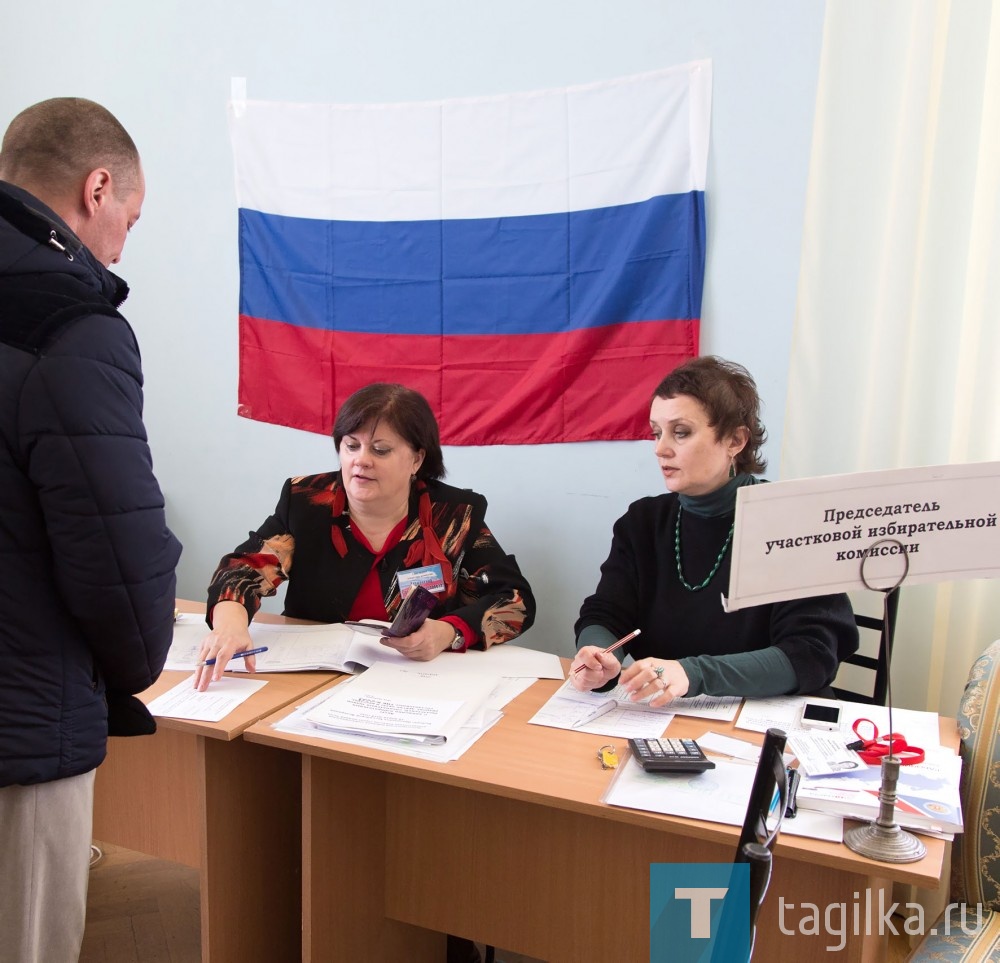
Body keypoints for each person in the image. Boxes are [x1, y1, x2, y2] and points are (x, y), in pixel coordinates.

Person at [0, 98, 181, 963]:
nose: (120, 247)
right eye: (128, 220)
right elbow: (117, 555)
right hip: (20, 718)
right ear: (96, 187)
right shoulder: (67, 322)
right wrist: (139, 662)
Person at [197, 381, 536, 687]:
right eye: (351, 446)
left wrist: (448, 632)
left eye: (380, 449)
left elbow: (515, 601)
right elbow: (244, 569)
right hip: (312, 680)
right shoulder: (307, 501)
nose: (361, 461)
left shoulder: (454, 514)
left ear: (417, 459)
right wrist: (230, 623)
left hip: (417, 682)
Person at [571, 356, 858, 705]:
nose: (661, 449)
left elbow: (811, 654)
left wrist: (693, 673)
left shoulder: (794, 521)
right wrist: (599, 653)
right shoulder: (643, 521)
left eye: (681, 432)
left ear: (735, 440)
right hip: (664, 715)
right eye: (656, 433)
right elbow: (606, 613)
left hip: (762, 720)